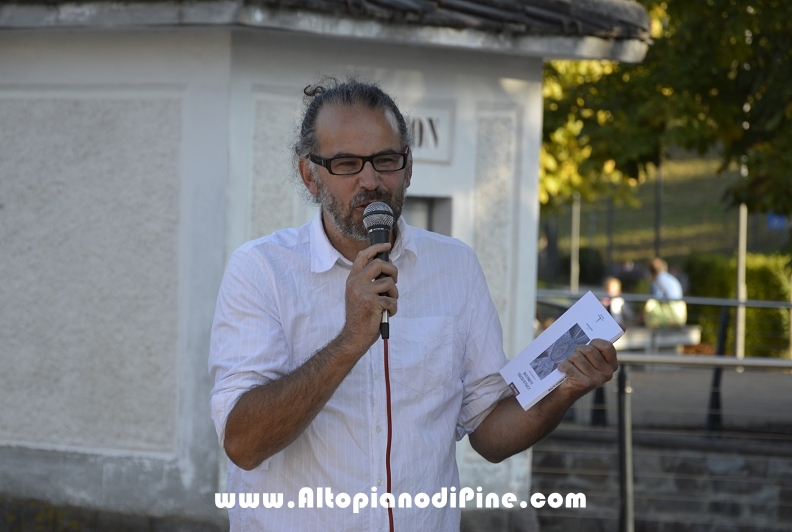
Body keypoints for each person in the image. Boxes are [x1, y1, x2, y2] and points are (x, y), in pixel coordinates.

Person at [208, 78, 619, 531]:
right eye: (347, 163)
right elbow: (243, 443)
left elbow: (489, 435)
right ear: (310, 175)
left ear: (407, 168)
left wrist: (562, 391)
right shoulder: (261, 270)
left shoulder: (456, 266)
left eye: (386, 160)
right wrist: (350, 341)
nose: (371, 180)